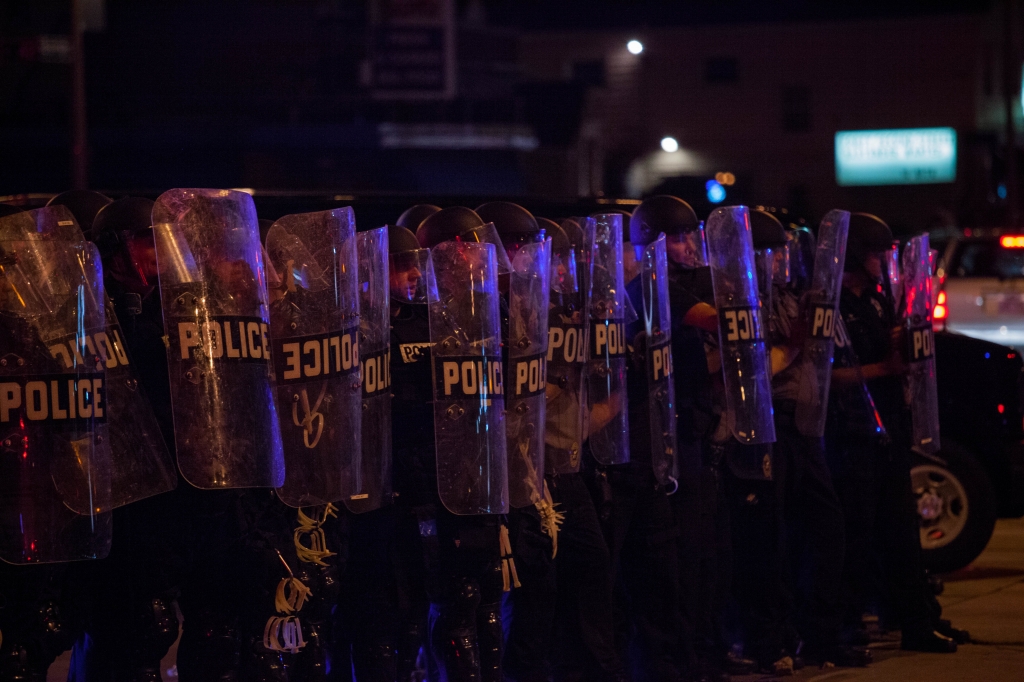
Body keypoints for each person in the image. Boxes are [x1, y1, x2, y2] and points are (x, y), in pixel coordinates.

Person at [629, 195, 754, 682]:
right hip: (668, 439)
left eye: (690, 236)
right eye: (677, 237)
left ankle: (703, 649)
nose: (687, 246)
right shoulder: (653, 287)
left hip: (697, 432)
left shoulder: (684, 283)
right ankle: (678, 658)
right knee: (679, 557)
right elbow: (722, 322)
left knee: (711, 555)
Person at [827, 213, 965, 653]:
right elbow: (828, 375)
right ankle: (847, 628)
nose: (883, 260)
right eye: (875, 252)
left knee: (902, 534)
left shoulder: (877, 299)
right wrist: (884, 367)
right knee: (858, 536)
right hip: (853, 433)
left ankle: (917, 623)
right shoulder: (832, 306)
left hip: (890, 430)